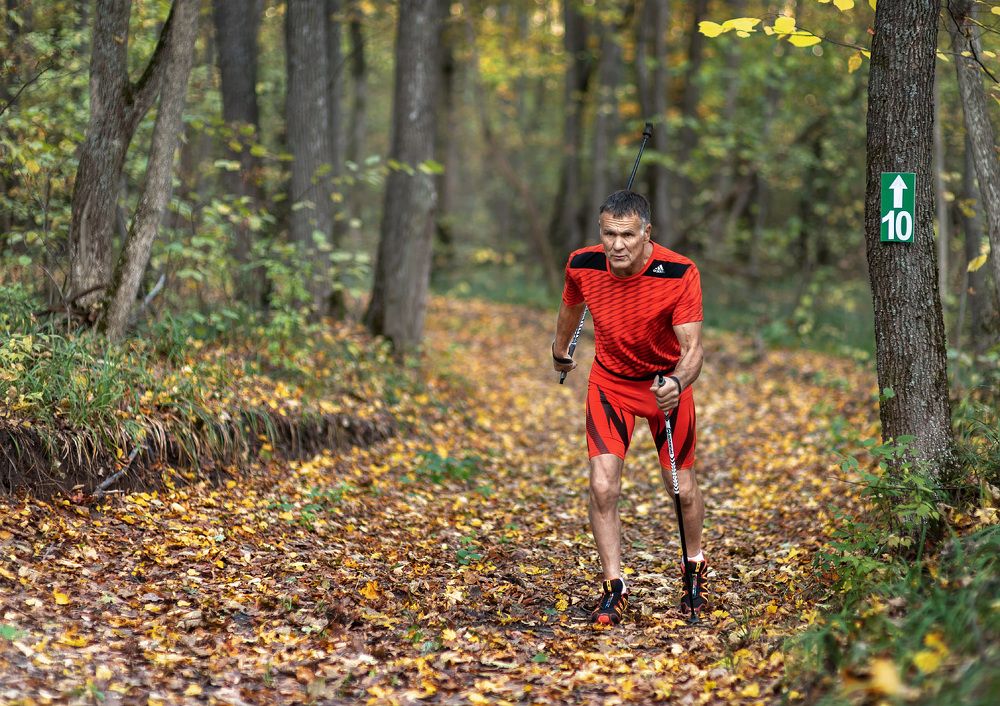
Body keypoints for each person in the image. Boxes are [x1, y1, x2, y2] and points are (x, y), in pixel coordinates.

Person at [551, 190, 706, 626]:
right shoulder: (583, 263)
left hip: (663, 386)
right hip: (610, 382)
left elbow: (693, 349)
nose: (617, 245)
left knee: (680, 488)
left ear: (646, 233)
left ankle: (694, 566)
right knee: (603, 487)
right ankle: (613, 586)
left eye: (628, 235)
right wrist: (559, 348)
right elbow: (570, 305)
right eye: (609, 234)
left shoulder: (679, 272)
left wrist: (677, 382)